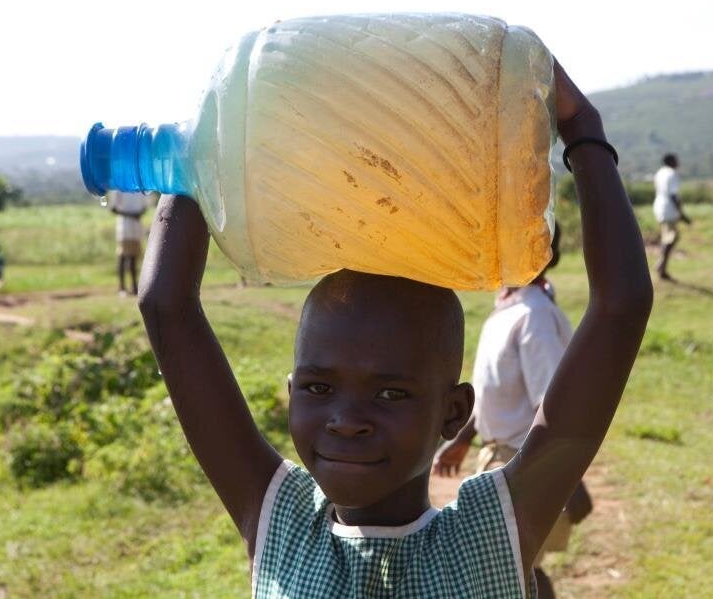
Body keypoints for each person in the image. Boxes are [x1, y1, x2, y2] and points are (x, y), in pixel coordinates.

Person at [137, 61, 652, 598]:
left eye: (390, 393)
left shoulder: (488, 539)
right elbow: (165, 308)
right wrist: (195, 152)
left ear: (454, 412)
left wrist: (584, 131)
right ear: (291, 393)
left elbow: (621, 306)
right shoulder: (281, 524)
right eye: (318, 387)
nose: (347, 420)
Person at [431, 224, 592, 599]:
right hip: (499, 459)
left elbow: (552, 402)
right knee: (510, 572)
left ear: (541, 255)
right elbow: (491, 389)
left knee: (518, 571)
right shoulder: (506, 310)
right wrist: (464, 439)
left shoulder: (534, 316)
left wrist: (572, 479)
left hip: (524, 462)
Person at [653, 153, 691, 281]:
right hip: (669, 210)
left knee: (669, 237)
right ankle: (661, 266)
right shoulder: (672, 174)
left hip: (660, 208)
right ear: (672, 161)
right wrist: (682, 214)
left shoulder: (660, 173)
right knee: (670, 238)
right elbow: (674, 196)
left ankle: (661, 265)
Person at [111, 191, 147, 296]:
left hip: (136, 228)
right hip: (124, 227)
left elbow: (144, 207)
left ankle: (134, 287)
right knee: (123, 256)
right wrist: (131, 215)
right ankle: (122, 287)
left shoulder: (140, 188)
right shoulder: (119, 187)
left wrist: (138, 214)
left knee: (133, 257)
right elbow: (113, 208)